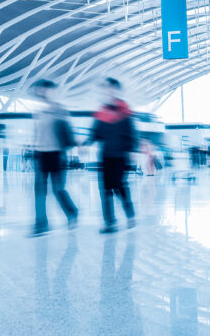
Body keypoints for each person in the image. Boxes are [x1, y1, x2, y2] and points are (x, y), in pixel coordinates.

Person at [87, 78, 137, 233]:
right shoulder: (101, 112)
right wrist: (86, 142)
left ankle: (130, 213)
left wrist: (132, 150)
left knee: (118, 186)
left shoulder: (124, 111)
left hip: (121, 155)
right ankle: (110, 222)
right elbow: (95, 133)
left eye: (111, 89)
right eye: (106, 88)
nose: (108, 91)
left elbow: (131, 133)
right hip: (106, 155)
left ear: (117, 90)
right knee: (106, 189)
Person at [30, 79, 79, 236]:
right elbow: (36, 133)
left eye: (44, 89)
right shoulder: (38, 112)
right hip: (41, 154)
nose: (42, 93)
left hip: (57, 155)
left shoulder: (60, 110)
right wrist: (33, 147)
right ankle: (41, 224)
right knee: (39, 191)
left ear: (51, 91)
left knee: (58, 189)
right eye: (39, 90)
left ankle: (72, 212)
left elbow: (68, 133)